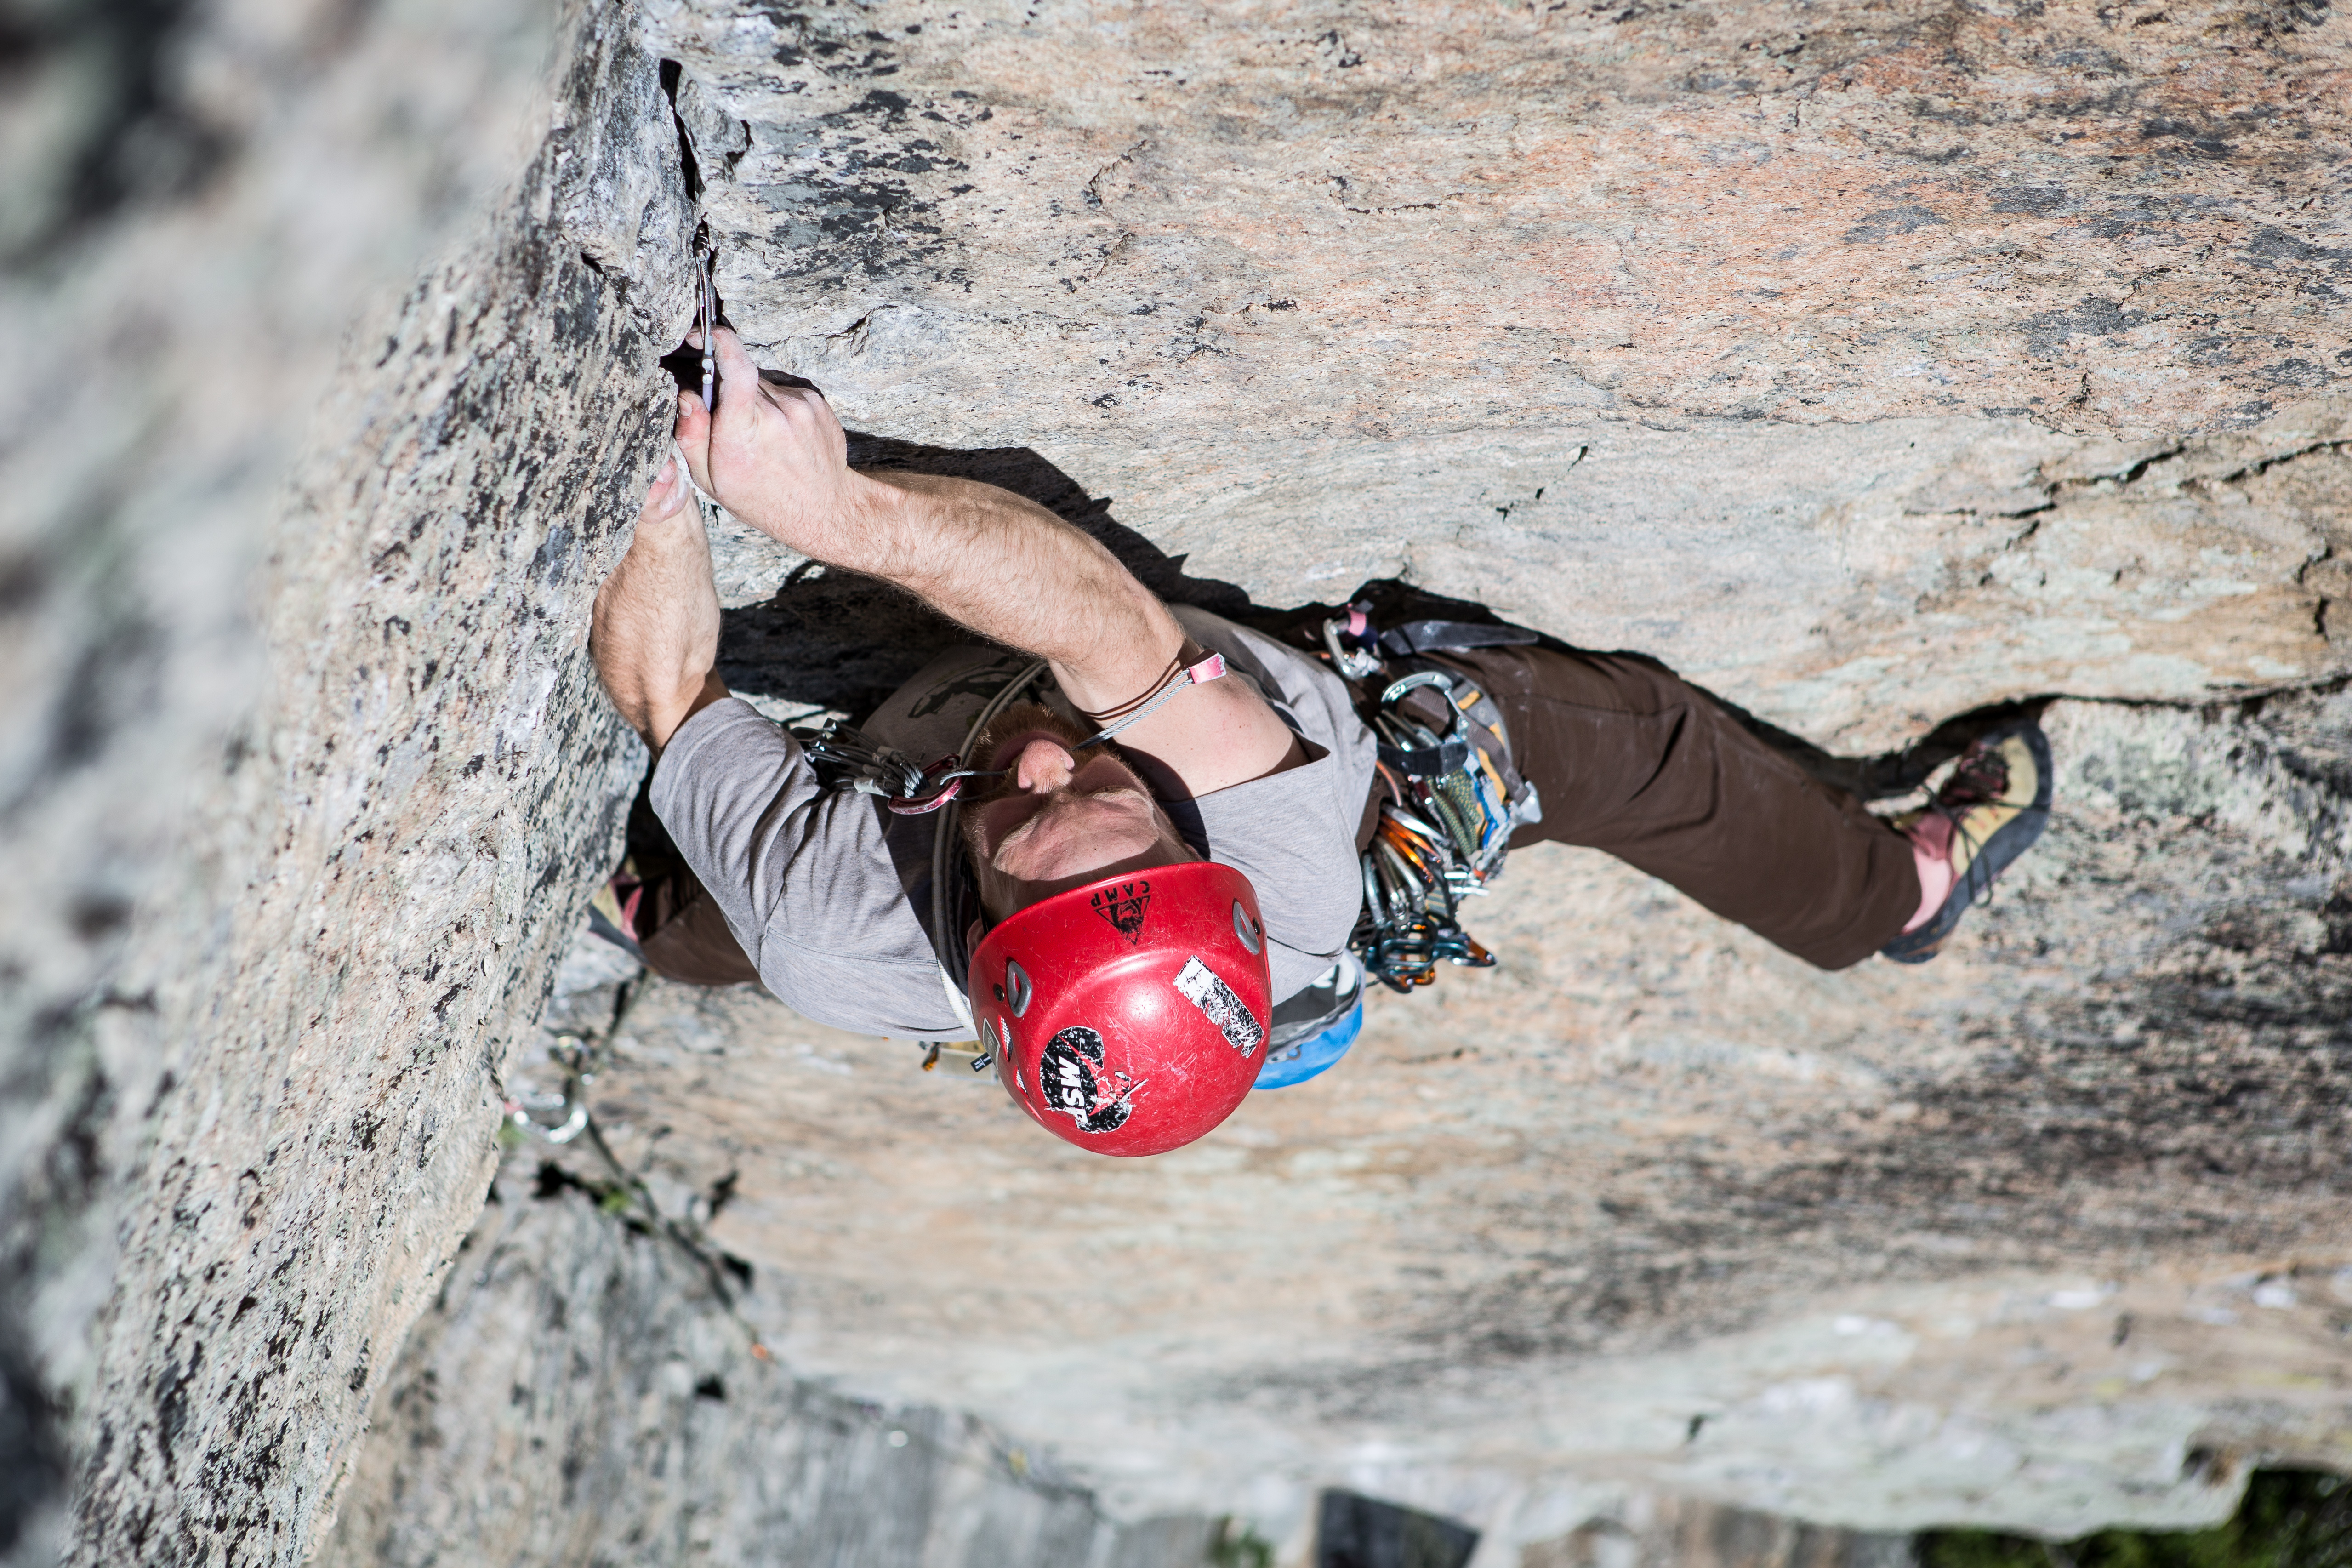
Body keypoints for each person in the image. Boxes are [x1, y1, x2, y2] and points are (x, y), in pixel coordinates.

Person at [589, 329, 2050, 1157]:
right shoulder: (1279, 863)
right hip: (1372, 837)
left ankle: (652, 916)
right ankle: (1899, 897)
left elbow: (673, 689)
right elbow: (1098, 639)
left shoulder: (847, 919)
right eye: (1098, 787)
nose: (1050, 756)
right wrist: (831, 512)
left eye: (1057, 800)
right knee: (1646, 751)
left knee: (714, 915)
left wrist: (670, 497)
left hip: (1061, 917)